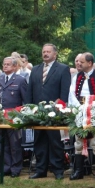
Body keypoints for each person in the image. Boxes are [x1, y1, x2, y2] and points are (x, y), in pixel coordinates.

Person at [26, 43, 71, 180]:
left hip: (54, 112)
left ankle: (57, 169)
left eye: (48, 51)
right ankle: (41, 169)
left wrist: (61, 107)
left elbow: (65, 91)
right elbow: (30, 90)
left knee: (55, 142)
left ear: (55, 54)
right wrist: (29, 108)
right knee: (39, 141)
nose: (45, 54)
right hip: (38, 112)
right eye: (43, 51)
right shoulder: (35, 69)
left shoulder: (63, 69)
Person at [68, 52, 95, 181]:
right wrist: (78, 109)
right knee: (78, 143)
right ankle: (78, 171)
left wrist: (91, 109)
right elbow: (72, 94)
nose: (79, 64)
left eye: (82, 62)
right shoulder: (77, 76)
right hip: (79, 113)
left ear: (89, 63)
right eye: (78, 61)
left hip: (94, 113)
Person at [0, 57, 27, 177]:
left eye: (8, 64)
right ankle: (6, 167)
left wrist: (21, 115)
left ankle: (16, 169)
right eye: (4, 64)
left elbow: (25, 101)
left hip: (14, 117)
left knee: (15, 145)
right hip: (0, 117)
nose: (5, 66)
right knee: (3, 144)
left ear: (14, 66)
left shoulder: (20, 80)